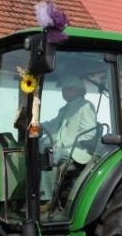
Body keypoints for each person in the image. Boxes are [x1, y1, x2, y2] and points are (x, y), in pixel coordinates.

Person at [40, 75, 97, 209]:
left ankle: (46, 199)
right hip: (60, 147)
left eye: (70, 89)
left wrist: (61, 143)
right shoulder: (64, 108)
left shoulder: (85, 106)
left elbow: (89, 132)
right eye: (64, 89)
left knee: (49, 155)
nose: (66, 92)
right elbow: (53, 124)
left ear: (80, 90)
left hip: (77, 150)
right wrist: (37, 125)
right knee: (32, 149)